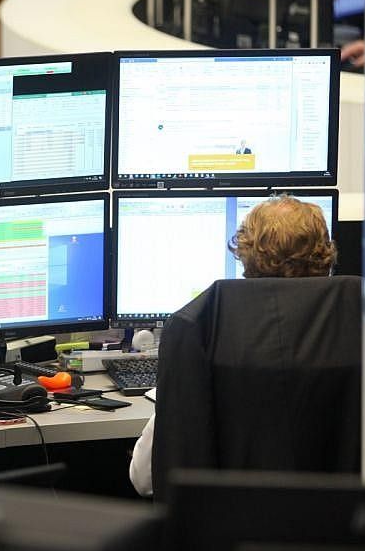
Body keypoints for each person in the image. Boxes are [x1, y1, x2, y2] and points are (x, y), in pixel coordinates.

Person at [129, 194, 338, 496]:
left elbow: (144, 478)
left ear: (245, 256)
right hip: (350, 521)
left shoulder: (200, 328)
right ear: (325, 256)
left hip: (230, 523)